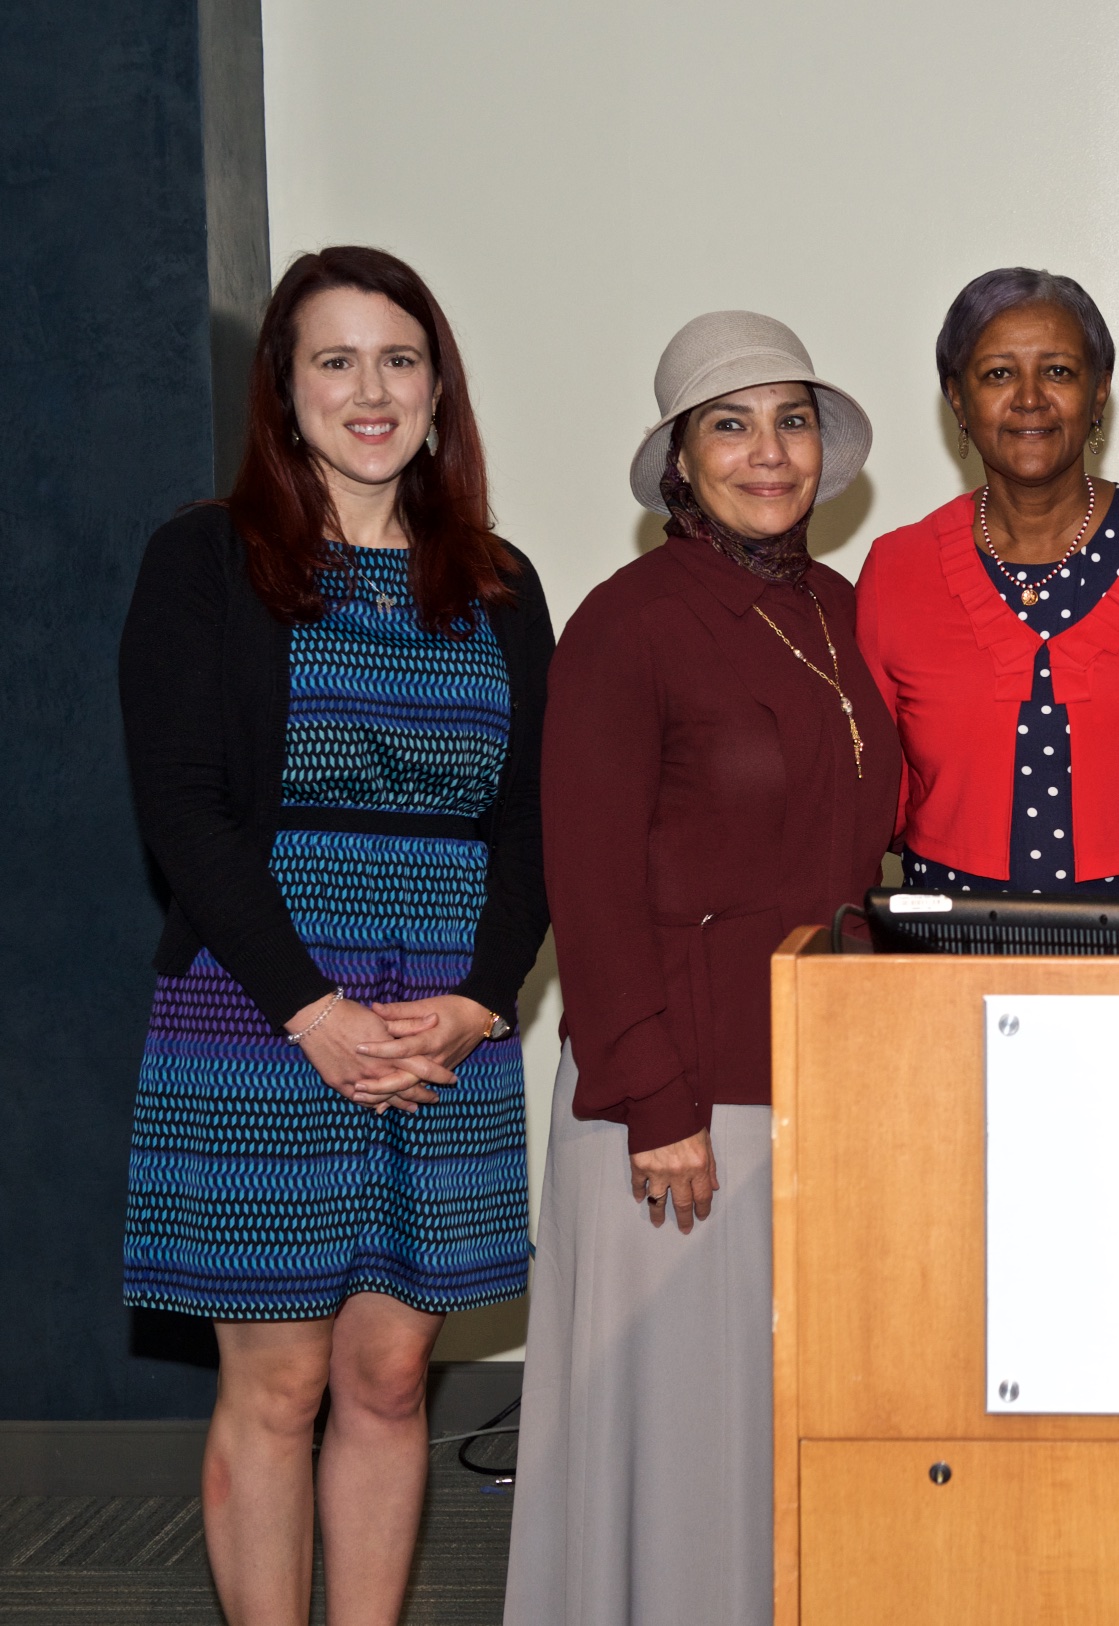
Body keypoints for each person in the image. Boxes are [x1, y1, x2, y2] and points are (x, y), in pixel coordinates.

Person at [119, 246, 551, 1626]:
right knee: (283, 1381)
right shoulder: (203, 557)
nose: (371, 390)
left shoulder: (495, 580)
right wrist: (309, 1006)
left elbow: (538, 819)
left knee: (383, 1377)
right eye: (336, 359)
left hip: (445, 1023)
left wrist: (485, 998)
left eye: (399, 358)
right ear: (284, 388)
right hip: (260, 1005)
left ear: (438, 386)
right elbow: (181, 808)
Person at [505, 311, 899, 1626]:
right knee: (676, 1442)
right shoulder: (627, 622)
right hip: (674, 1100)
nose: (768, 451)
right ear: (679, 460)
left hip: (812, 1075)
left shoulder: (841, 610)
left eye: (789, 419)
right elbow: (590, 882)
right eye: (729, 423)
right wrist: (654, 1102)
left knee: (771, 1423)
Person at [856, 268, 1119, 895]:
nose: (1030, 398)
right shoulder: (895, 572)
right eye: (997, 374)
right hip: (945, 963)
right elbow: (866, 802)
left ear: (1100, 394)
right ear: (956, 399)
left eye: (1059, 371)